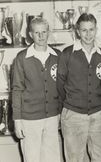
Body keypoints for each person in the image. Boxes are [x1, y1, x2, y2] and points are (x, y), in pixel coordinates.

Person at [57, 13, 101, 162]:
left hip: (98, 115)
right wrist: (69, 105)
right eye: (84, 30)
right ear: (77, 31)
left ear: (96, 30)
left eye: (91, 29)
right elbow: (60, 84)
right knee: (74, 159)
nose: (88, 34)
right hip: (73, 115)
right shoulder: (67, 54)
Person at [12, 17, 61, 162]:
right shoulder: (22, 58)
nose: (41, 36)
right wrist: (17, 120)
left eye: (44, 32)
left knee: (52, 158)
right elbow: (17, 89)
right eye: (37, 32)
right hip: (29, 119)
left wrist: (61, 113)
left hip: (52, 117)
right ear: (30, 34)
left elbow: (63, 87)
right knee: (32, 158)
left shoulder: (58, 55)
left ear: (48, 33)